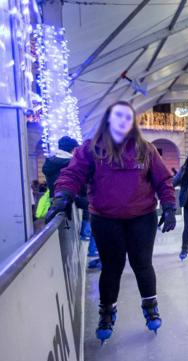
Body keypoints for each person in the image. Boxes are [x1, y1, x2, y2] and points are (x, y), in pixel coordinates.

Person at [45, 101, 177, 343]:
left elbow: (163, 181)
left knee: (142, 265)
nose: (123, 121)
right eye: (118, 116)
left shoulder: (145, 149)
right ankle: (107, 313)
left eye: (128, 117)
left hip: (142, 218)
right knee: (112, 267)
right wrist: (62, 195)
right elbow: (72, 174)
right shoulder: (91, 149)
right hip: (106, 219)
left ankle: (151, 307)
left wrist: (169, 206)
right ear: (108, 120)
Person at [42, 136, 101, 266]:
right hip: (72, 198)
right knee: (97, 215)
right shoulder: (71, 163)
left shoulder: (49, 162)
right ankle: (93, 248)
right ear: (73, 149)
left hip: (57, 199)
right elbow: (79, 184)